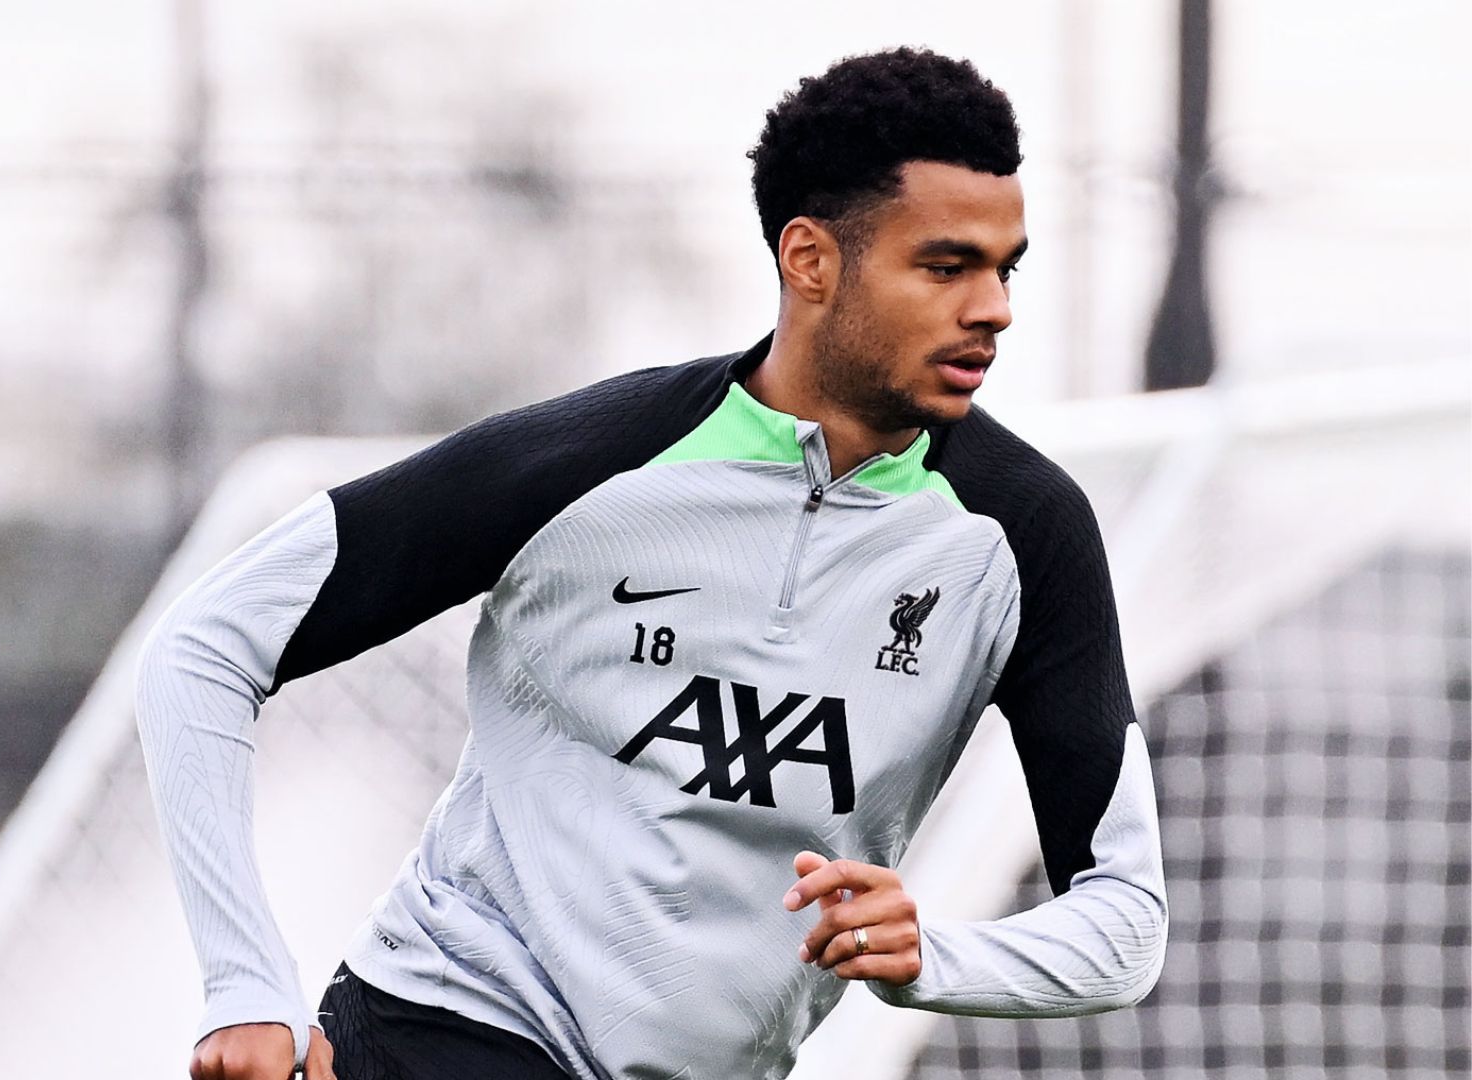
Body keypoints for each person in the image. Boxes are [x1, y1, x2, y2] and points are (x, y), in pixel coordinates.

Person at [137, 46, 1168, 1080]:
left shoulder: (1023, 533)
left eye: (1004, 269)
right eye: (946, 267)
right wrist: (246, 985)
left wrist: (931, 956)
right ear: (810, 260)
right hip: (450, 1024)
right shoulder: (593, 461)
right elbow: (209, 642)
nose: (994, 308)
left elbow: (1124, 919)